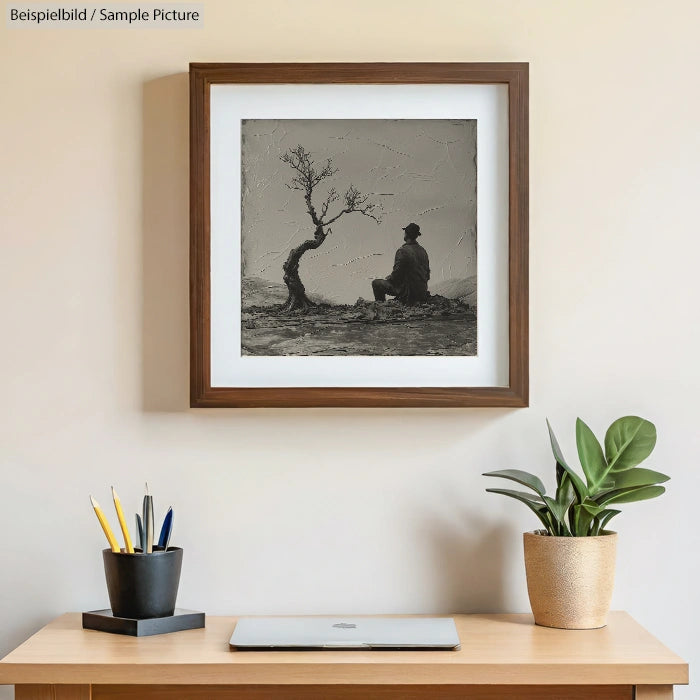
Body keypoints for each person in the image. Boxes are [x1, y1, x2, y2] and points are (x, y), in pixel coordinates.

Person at [372, 223, 430, 304]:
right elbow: (427, 275)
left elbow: (397, 275)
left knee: (376, 283)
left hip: (409, 293)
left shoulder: (403, 251)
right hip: (422, 292)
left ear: (406, 234)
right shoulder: (423, 251)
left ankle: (381, 306)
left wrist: (390, 278)